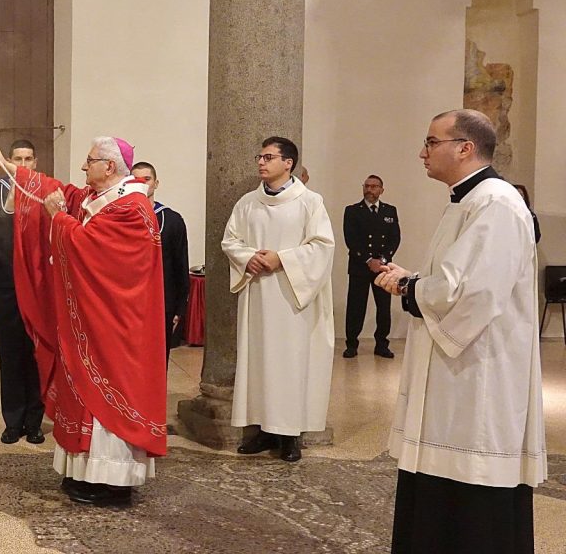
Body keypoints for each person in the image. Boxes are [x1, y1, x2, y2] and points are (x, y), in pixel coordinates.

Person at [375, 109, 546, 553]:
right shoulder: (466, 201)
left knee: (471, 490)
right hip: (458, 375)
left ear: (465, 148)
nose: (423, 152)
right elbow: (456, 278)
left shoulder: (496, 203)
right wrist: (416, 281)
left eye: (432, 142)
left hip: (479, 373)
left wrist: (410, 287)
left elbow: (472, 293)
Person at [0, 136, 166, 506]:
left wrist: (58, 218)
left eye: (90, 160)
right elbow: (56, 189)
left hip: (117, 328)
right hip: (93, 321)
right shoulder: (99, 198)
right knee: (83, 396)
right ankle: (87, 474)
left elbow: (90, 248)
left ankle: (114, 483)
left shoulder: (131, 207)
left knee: (107, 401)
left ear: (109, 167)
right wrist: (6, 165)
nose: (83, 167)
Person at [221, 137, 335, 463]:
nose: (261, 162)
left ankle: (289, 435)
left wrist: (281, 259)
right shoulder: (247, 203)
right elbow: (230, 240)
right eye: (259, 156)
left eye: (269, 157)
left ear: (288, 163)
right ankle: (263, 430)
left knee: (290, 362)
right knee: (259, 361)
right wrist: (248, 258)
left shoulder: (310, 202)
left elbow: (323, 246)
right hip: (258, 295)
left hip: (292, 299)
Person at [0, 139, 45, 445]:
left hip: (38, 289)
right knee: (11, 354)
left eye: (28, 159)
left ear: (35, 162)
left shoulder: (43, 193)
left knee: (35, 355)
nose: (23, 163)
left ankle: (35, 421)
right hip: (5, 286)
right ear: (8, 160)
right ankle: (13, 422)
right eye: (18, 158)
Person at [130, 161, 190, 367]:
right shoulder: (119, 217)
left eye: (147, 179)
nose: (142, 183)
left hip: (162, 302)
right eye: (136, 179)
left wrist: (180, 309)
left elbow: (180, 265)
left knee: (156, 360)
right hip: (129, 303)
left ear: (156, 183)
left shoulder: (172, 220)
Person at [342, 175, 400, 359]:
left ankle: (382, 344)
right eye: (366, 186)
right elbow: (351, 239)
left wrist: (382, 260)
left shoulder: (390, 211)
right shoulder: (352, 211)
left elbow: (395, 239)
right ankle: (351, 344)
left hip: (383, 268)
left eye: (374, 186)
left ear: (382, 190)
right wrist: (368, 260)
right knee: (355, 307)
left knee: (383, 308)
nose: (369, 190)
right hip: (359, 267)